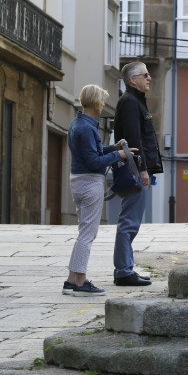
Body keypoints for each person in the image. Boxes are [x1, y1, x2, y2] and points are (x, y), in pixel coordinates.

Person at [64, 84, 135, 296]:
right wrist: (119, 156)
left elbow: (92, 153)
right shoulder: (87, 128)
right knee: (87, 234)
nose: (104, 104)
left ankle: (71, 281)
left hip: (79, 180)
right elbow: (94, 161)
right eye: (103, 100)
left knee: (84, 232)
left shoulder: (78, 124)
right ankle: (80, 282)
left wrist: (112, 148)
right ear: (95, 102)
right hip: (89, 182)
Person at [112, 62, 163, 287]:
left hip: (136, 168)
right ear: (133, 80)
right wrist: (142, 169)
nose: (149, 78)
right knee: (129, 222)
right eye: (145, 75)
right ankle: (123, 271)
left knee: (131, 221)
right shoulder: (130, 103)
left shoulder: (135, 102)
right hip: (134, 170)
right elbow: (134, 139)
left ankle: (126, 268)